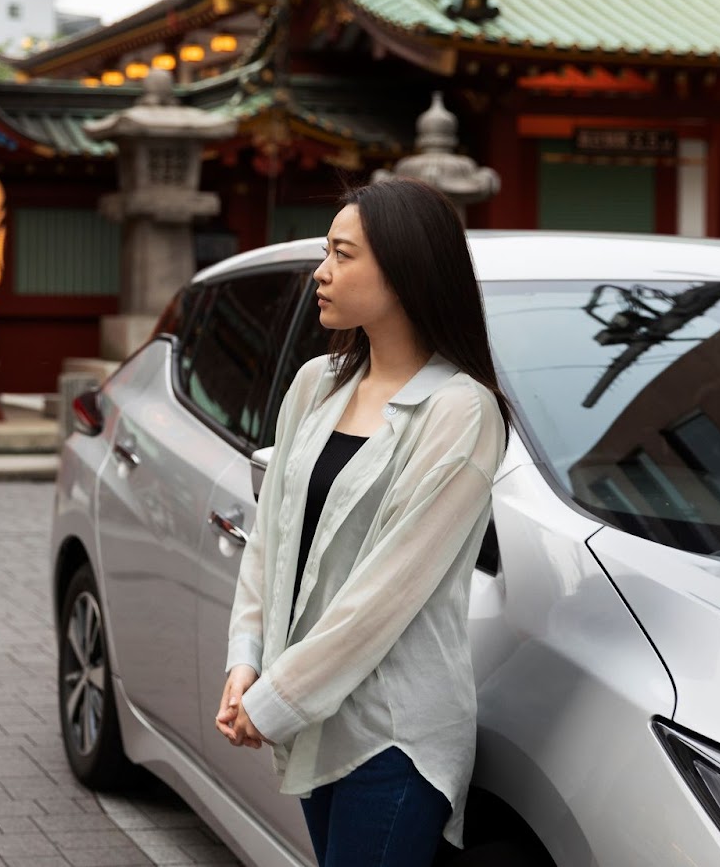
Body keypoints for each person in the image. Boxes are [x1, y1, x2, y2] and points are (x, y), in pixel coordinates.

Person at [214, 177, 513, 867]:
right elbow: (271, 536)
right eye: (327, 251)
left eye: (343, 254)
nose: (322, 271)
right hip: (315, 719)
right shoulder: (316, 384)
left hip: (393, 737)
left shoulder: (461, 412)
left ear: (405, 271)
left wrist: (276, 698)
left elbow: (385, 594)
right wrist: (245, 658)